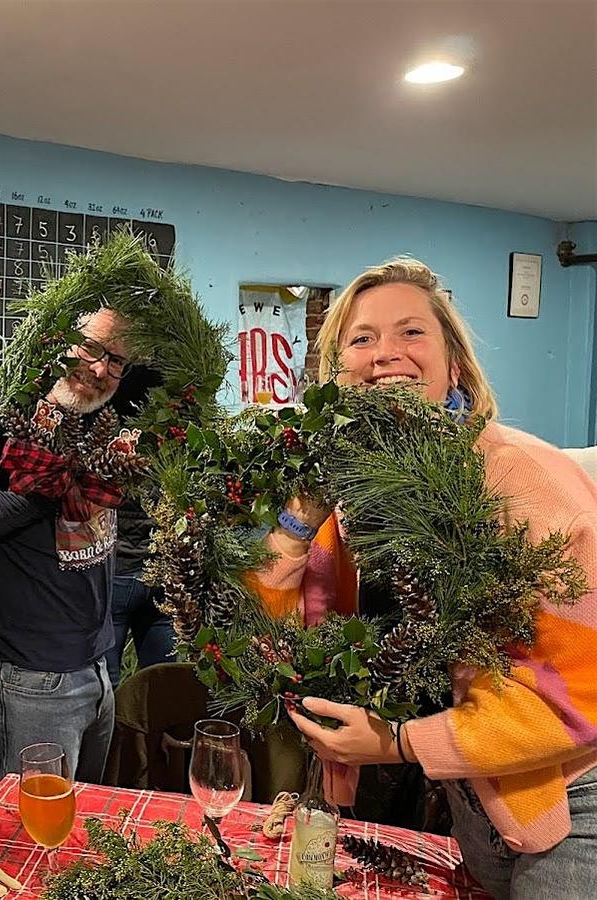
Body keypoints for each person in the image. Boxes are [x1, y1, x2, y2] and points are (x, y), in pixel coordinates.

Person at [252, 257, 597, 899]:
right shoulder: (352, 500)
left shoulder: (524, 483)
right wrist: (302, 511)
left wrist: (402, 743)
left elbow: (580, 694)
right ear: (336, 379)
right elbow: (268, 624)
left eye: (411, 332)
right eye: (361, 338)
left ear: (453, 365)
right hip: (477, 797)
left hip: (568, 800)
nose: (385, 354)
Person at [0, 307, 132, 790]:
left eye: (118, 362)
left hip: (98, 664)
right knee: (19, 838)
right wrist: (41, 488)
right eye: (92, 348)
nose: (101, 369)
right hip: (26, 674)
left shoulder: (102, 419)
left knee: (77, 824)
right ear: (56, 338)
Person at [106, 363, 175, 688]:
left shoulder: (109, 448)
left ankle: (116, 741)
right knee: (162, 686)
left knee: (107, 689)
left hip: (118, 571)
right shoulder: (172, 443)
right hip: (163, 571)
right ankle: (155, 738)